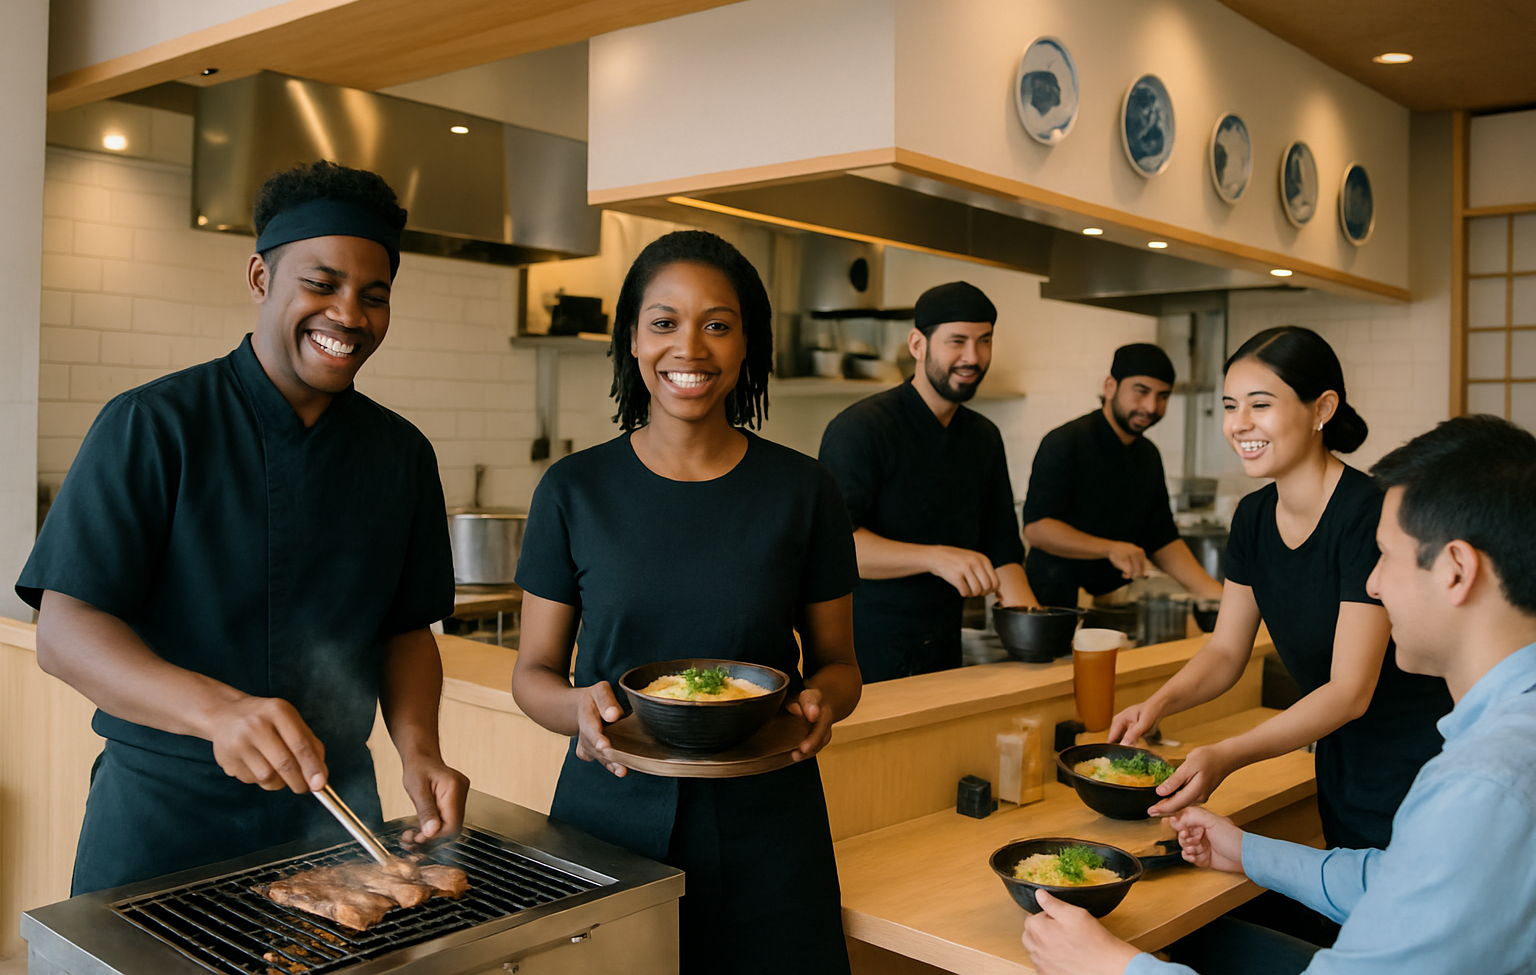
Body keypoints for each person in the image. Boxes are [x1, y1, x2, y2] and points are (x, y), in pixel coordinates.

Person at [16, 161, 468, 896]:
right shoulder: (154, 424)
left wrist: (420, 752)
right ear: (261, 278)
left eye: (374, 296)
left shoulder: (401, 454)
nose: (349, 315)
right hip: (165, 817)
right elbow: (65, 634)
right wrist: (218, 712)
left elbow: (406, 630)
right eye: (321, 284)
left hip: (337, 818)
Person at [1020, 414, 1536, 975]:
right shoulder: (1501, 740)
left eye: (1385, 556)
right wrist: (1246, 852)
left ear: (1457, 570)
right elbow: (1395, 882)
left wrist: (1111, 968)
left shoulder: (1482, 784)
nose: (1373, 583)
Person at [511, 230, 862, 975]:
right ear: (632, 340)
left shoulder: (804, 492)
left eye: (718, 324)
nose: (690, 349)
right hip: (608, 819)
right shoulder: (573, 491)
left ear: (746, 344)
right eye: (664, 322)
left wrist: (821, 703)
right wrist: (578, 711)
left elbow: (839, 666)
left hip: (769, 821)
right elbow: (534, 673)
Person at [1110, 328, 1451, 849]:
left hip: (1417, 758)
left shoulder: (1367, 512)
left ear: (1322, 409)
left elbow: (1349, 691)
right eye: (1230, 406)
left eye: (1260, 404)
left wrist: (1229, 753)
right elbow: (1226, 651)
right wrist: (1158, 704)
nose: (1239, 424)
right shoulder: (1252, 517)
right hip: (1341, 759)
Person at [817, 281, 1036, 682]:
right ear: (918, 344)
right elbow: (836, 547)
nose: (973, 357)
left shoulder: (983, 437)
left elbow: (1003, 548)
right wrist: (937, 558)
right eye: (957, 341)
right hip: (863, 659)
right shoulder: (861, 428)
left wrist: (1036, 633)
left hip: (943, 651)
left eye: (984, 341)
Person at [1022, 343, 1223, 609]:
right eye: (1141, 392)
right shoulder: (1065, 442)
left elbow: (1161, 538)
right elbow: (1037, 529)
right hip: (1054, 602)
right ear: (1110, 387)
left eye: (1163, 396)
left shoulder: (1148, 455)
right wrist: (1110, 548)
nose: (1151, 406)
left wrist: (1215, 594)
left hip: (1115, 604)